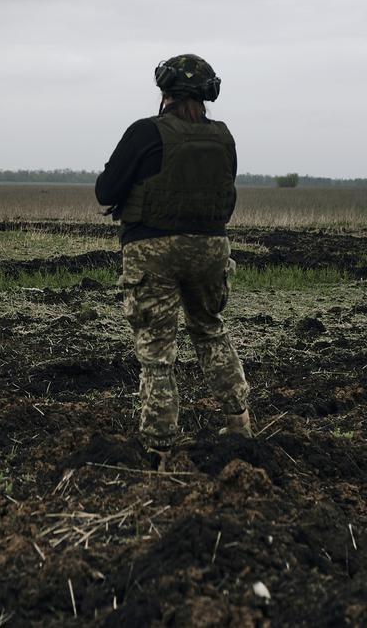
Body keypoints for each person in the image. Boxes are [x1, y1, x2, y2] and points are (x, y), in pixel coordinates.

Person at [95, 54, 252, 454]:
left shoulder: (145, 133)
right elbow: (226, 194)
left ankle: (159, 448)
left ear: (164, 92)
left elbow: (106, 192)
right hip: (211, 248)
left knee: (157, 350)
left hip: (152, 250)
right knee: (210, 329)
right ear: (206, 96)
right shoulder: (224, 137)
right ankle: (239, 423)